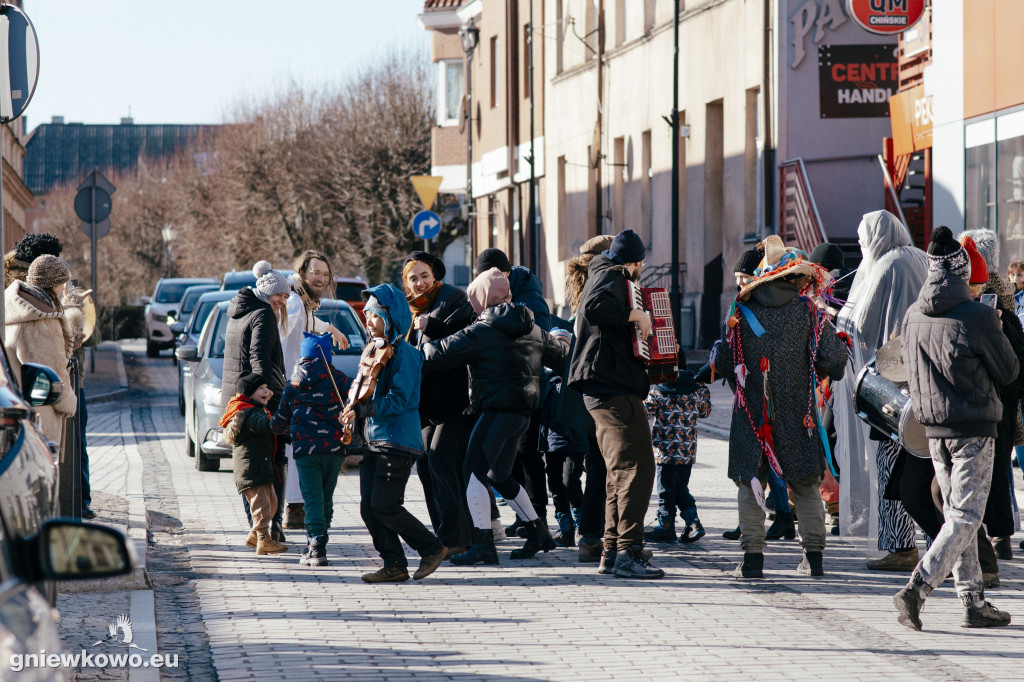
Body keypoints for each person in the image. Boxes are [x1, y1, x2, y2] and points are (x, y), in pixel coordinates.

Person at [894, 226, 1018, 630]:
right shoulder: (978, 315)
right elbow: (1009, 370)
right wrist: (995, 329)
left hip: (933, 430)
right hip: (973, 426)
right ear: (964, 272)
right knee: (966, 517)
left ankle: (973, 601)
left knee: (957, 516)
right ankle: (917, 588)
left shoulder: (913, 314)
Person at [712, 236, 848, 579]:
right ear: (793, 279)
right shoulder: (810, 314)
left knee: (750, 484)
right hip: (798, 414)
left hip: (751, 415)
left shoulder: (739, 314)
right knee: (804, 484)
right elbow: (837, 362)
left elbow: (725, 362)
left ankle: (753, 560)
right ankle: (813, 559)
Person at [422, 268, 569, 565]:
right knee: (499, 476)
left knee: (473, 473)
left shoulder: (482, 330)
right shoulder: (533, 327)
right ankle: (539, 532)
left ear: (481, 298)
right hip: (523, 414)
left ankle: (483, 545)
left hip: (496, 411)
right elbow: (562, 357)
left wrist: (419, 340)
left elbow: (436, 354)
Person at [832, 210, 927, 572]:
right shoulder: (918, 256)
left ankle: (900, 546)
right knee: (929, 469)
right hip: (926, 382)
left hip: (892, 385)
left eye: (861, 240)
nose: (860, 246)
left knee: (889, 467)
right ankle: (938, 544)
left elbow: (863, 324)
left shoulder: (887, 264)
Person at [568, 228, 665, 579]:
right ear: (636, 262)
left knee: (619, 471)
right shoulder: (610, 274)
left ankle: (612, 550)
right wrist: (635, 317)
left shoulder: (603, 272)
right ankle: (628, 551)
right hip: (610, 386)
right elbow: (595, 307)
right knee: (636, 468)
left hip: (609, 384)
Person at [342, 284, 446, 584]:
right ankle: (394, 564)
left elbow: (401, 400)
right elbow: (362, 391)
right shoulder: (373, 350)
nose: (367, 321)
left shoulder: (407, 356)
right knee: (369, 508)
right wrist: (351, 407)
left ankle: (431, 547)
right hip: (374, 440)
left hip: (397, 441)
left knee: (385, 505)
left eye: (374, 316)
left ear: (391, 317)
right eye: (367, 315)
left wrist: (363, 409)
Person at [402, 250, 476, 556]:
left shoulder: (454, 300)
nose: (419, 283)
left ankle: (460, 537)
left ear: (436, 277)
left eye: (424, 276)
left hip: (455, 402)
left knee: (441, 462)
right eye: (412, 278)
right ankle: (444, 537)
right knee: (426, 467)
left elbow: (462, 342)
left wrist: (431, 326)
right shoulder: (409, 309)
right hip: (423, 405)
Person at [958, 231, 1024, 565]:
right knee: (999, 470)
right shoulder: (1005, 290)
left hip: (987, 390)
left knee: (982, 471)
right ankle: (1001, 537)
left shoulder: (980, 291)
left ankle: (989, 538)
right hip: (1006, 390)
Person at [476, 248, 552, 534]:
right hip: (510, 387)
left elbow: (539, 341)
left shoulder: (529, 298)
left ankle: (537, 515)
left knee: (529, 454)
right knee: (512, 458)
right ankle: (526, 517)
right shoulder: (502, 290)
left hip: (528, 387)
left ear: (504, 273)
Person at [279, 250, 350, 530]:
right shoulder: (295, 302)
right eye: (315, 273)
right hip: (292, 385)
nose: (320, 278)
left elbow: (310, 322)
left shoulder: (301, 301)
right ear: (303, 273)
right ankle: (294, 510)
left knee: (298, 449)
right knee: (299, 451)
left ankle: (296, 510)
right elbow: (282, 333)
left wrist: (331, 328)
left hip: (296, 385)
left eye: (324, 274)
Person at [222, 261, 291, 543]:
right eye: (280, 295)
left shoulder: (239, 310)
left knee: (247, 463)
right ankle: (268, 528)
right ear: (266, 292)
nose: (282, 301)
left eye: (287, 297)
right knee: (272, 462)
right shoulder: (262, 314)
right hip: (257, 400)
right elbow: (258, 360)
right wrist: (266, 397)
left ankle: (256, 527)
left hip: (237, 400)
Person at [272, 332, 352, 566]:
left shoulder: (294, 382)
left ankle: (316, 546)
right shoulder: (337, 377)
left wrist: (271, 427)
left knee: (313, 498)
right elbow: (357, 394)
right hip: (335, 448)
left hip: (307, 450)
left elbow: (280, 419)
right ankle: (320, 541)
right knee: (326, 497)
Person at [563, 234, 613, 562]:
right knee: (609, 467)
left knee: (596, 466)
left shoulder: (584, 291)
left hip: (581, 392)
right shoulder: (604, 290)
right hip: (603, 389)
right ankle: (604, 537)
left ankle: (590, 536)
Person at [4, 255, 79, 445]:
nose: (63, 288)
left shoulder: (15, 307)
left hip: (16, 404)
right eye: (62, 283)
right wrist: (70, 404)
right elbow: (55, 373)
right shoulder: (44, 321)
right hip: (42, 412)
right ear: (53, 284)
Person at [221, 372, 287, 555]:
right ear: (249, 394)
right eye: (261, 388)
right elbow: (262, 424)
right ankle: (263, 540)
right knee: (261, 506)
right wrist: (277, 420)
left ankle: (253, 536)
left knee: (272, 503)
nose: (267, 391)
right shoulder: (248, 413)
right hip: (251, 471)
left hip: (261, 467)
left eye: (267, 387)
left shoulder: (257, 409)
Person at [642, 370, 712, 544]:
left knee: (665, 490)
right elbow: (705, 412)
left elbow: (645, 411)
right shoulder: (697, 392)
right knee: (680, 488)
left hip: (665, 451)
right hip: (687, 451)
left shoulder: (659, 391)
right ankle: (693, 522)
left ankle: (666, 526)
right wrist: (702, 390)